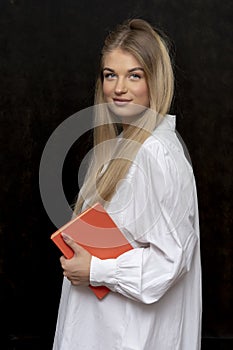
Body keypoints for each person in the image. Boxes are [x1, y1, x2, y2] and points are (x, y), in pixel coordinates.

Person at [52, 18, 202, 350]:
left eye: (134, 75)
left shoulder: (154, 154)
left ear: (155, 80)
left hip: (129, 338)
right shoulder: (125, 146)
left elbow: (170, 261)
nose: (119, 88)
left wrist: (95, 271)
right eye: (110, 75)